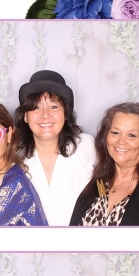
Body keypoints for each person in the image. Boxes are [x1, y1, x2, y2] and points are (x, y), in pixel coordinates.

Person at [70, 102, 139, 226]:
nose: (121, 141)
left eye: (132, 135)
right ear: (105, 137)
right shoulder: (98, 181)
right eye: (115, 133)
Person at [15, 70, 96, 226]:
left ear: (66, 114)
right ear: (25, 116)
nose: (45, 115)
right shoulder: (14, 157)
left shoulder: (87, 146)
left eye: (54, 106)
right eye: (36, 108)